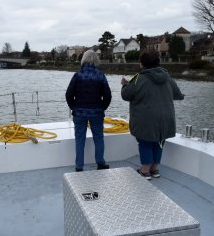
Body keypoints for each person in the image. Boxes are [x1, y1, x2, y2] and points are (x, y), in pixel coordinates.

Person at [121, 49, 184, 180]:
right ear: (158, 62)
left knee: (145, 143)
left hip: (146, 120)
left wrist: (124, 85)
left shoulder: (138, 78)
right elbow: (178, 95)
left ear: (142, 63)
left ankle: (145, 171)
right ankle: (155, 169)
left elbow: (126, 95)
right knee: (159, 142)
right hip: (166, 118)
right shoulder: (167, 77)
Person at [66, 50, 112, 172]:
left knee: (79, 139)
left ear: (83, 59)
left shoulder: (77, 75)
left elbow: (68, 94)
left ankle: (79, 166)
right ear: (96, 60)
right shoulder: (100, 75)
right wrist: (102, 108)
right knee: (98, 137)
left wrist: (73, 107)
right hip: (96, 112)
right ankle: (101, 163)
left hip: (79, 112)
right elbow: (107, 96)